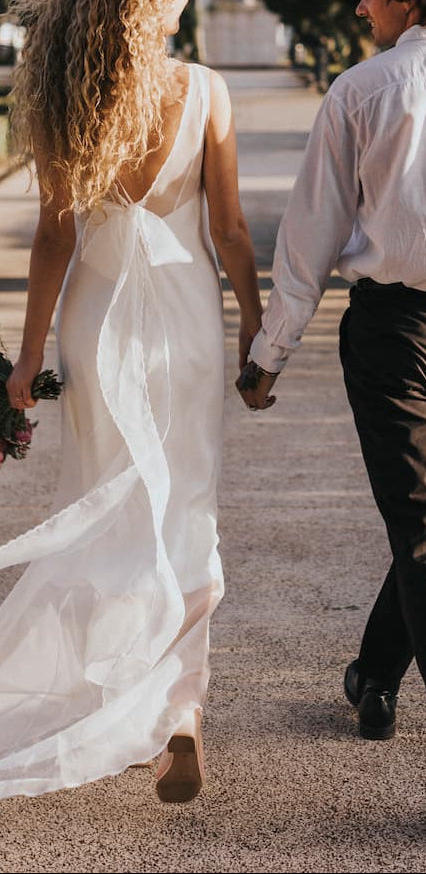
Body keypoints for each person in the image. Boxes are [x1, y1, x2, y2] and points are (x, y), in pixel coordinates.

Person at [0, 0, 261, 845]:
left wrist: (27, 360)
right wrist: (256, 328)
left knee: (106, 499)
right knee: (186, 504)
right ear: (152, 14)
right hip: (186, 323)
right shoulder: (205, 91)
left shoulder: (74, 100)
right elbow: (231, 229)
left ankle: (126, 695)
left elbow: (53, 239)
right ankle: (178, 709)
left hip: (98, 321)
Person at [236, 2, 426, 740]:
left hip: (392, 331)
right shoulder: (363, 88)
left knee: (418, 523)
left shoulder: (364, 89)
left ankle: (376, 671)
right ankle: (375, 674)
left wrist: (266, 355)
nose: (355, 6)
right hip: (394, 329)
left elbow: (310, 230)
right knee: (419, 522)